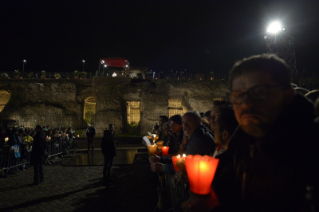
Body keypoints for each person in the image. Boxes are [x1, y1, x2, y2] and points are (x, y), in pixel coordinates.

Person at [182, 54, 319, 211]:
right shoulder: (243, 147)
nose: (246, 103)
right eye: (238, 96)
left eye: (260, 92)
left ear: (287, 95)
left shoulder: (311, 150)